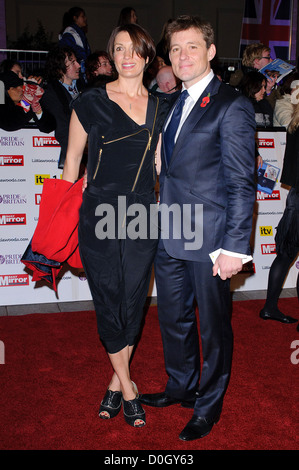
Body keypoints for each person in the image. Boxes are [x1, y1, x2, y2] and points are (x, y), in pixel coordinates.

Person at [139, 15, 256, 441]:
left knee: (213, 327)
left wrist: (233, 248)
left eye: (192, 47)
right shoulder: (169, 104)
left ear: (210, 52)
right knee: (173, 319)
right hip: (169, 233)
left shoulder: (232, 104)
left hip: (211, 241)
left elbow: (242, 184)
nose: (182, 55)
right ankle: (181, 386)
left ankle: (208, 405)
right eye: (175, 48)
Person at [61, 23, 170, 428]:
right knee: (108, 297)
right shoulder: (90, 101)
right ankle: (129, 389)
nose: (126, 56)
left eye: (134, 49)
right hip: (99, 210)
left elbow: (160, 165)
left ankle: (115, 382)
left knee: (132, 301)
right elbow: (72, 163)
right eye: (118, 48)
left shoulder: (162, 107)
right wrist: (61, 215)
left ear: (146, 56)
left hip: (142, 212)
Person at [259, 92, 299, 325]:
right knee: (285, 256)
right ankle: (269, 307)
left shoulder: (294, 119)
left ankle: (269, 307)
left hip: (295, 196)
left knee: (285, 256)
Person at [40, 45, 83, 168]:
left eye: (76, 61)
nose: (78, 66)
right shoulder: (51, 92)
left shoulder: (82, 87)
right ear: (60, 68)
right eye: (72, 62)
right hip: (75, 155)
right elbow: (63, 127)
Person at [58, 6, 91, 83]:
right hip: (75, 71)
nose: (85, 19)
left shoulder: (78, 32)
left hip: (81, 70)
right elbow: (67, 53)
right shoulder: (70, 33)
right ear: (75, 18)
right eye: (82, 16)